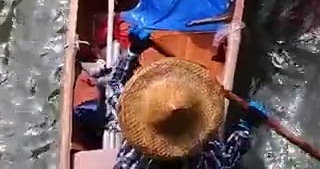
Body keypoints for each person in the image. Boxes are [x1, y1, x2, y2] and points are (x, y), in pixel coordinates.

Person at [105, 28, 268, 168]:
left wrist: (133, 52)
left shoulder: (129, 162)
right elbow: (227, 162)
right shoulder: (206, 154)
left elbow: (114, 84)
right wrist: (245, 127)